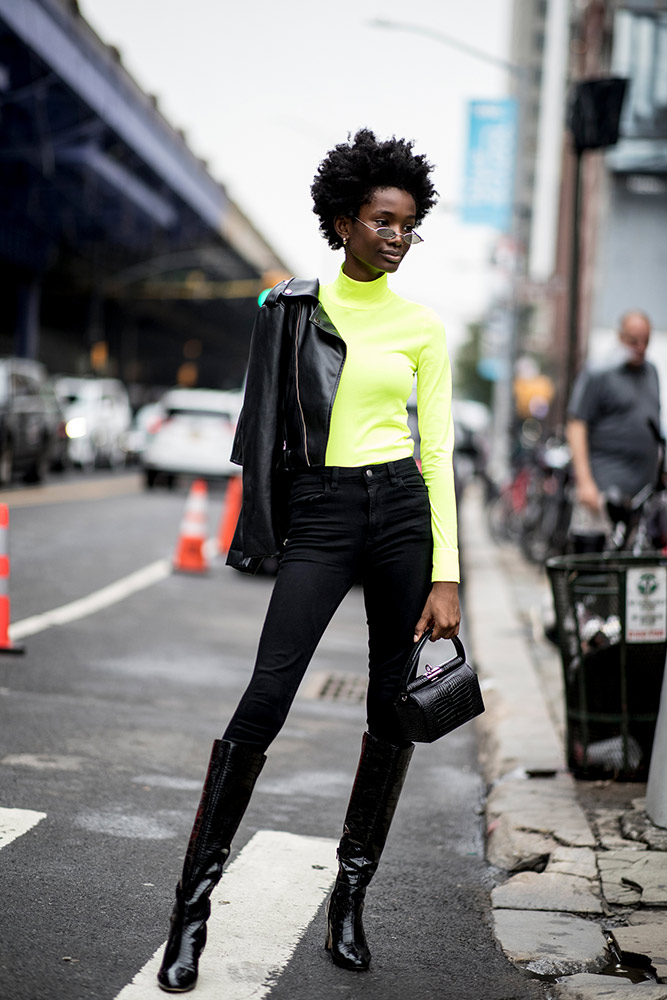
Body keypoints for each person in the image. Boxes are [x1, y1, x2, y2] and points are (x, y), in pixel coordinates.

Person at [157, 129, 460, 993]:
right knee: (267, 693)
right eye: (381, 221)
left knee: (391, 709)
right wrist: (264, 530)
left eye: (408, 225)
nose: (396, 237)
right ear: (343, 221)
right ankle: (192, 912)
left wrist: (448, 572)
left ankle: (350, 899)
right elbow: (261, 434)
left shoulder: (422, 327)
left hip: (402, 511)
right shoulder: (289, 307)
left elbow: (434, 451)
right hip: (324, 516)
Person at [566, 310, 661, 547]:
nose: (640, 347)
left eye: (645, 341)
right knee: (595, 563)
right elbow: (577, 424)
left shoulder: (651, 372)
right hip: (603, 489)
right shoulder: (599, 371)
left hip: (640, 496)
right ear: (619, 336)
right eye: (633, 340)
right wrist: (585, 482)